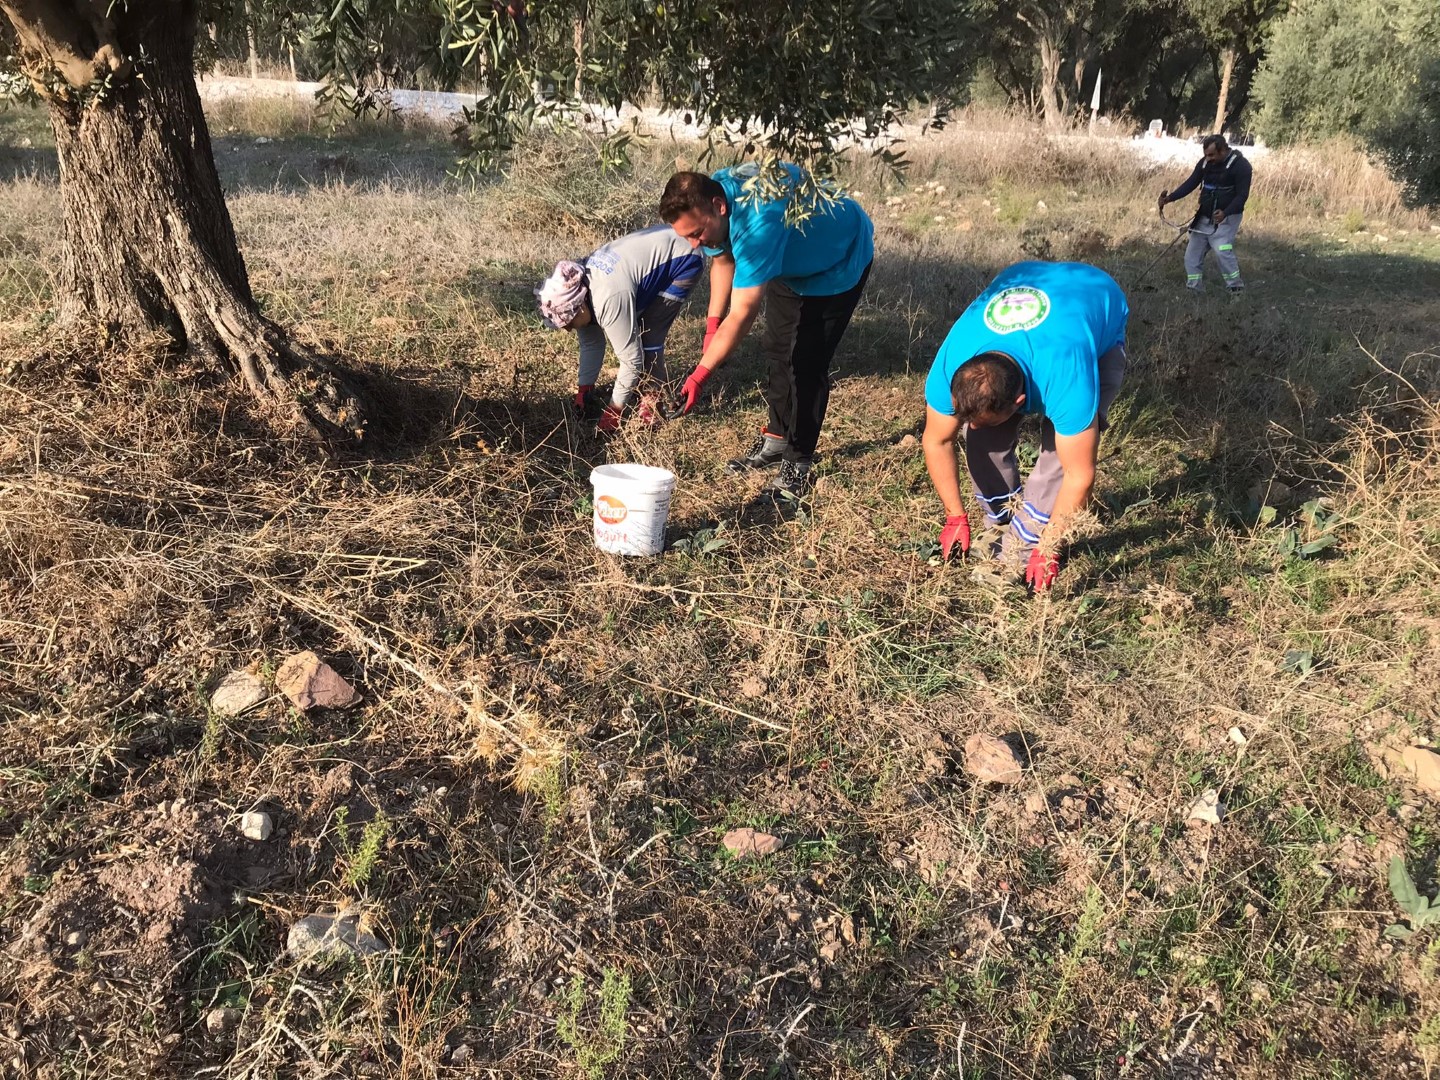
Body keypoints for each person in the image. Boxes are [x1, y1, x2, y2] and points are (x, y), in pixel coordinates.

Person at [659, 164, 874, 496]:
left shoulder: (759, 224)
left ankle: (798, 462)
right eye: (686, 236)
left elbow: (743, 312)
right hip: (791, 261)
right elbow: (723, 260)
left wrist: (699, 376)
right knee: (777, 347)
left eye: (696, 233)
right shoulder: (715, 199)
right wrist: (712, 327)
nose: (694, 244)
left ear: (719, 206)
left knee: (806, 362)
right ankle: (776, 440)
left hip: (837, 260)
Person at [920, 261, 1129, 593]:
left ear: (1020, 403)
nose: (972, 425)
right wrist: (954, 515)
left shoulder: (1067, 380)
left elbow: (1078, 475)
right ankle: (1001, 519)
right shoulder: (951, 364)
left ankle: (1023, 546)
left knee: (1057, 457)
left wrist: (1049, 547)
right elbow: (937, 441)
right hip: (1030, 278)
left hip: (1093, 297)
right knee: (982, 434)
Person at [536, 224, 704, 432]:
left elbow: (632, 360)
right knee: (634, 328)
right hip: (652, 255)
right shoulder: (579, 291)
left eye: (568, 323)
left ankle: (653, 401)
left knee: (648, 334)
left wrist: (615, 410)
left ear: (579, 307)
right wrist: (584, 389)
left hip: (684, 256)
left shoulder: (607, 299)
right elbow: (591, 343)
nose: (568, 330)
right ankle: (641, 390)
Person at [1157, 134, 1252, 295]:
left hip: (1228, 217)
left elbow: (1242, 196)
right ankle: (1194, 289)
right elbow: (1191, 183)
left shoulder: (1242, 166)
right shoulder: (1205, 163)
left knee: (1222, 250)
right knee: (1192, 255)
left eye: (1211, 155)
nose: (1208, 159)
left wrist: (1225, 213)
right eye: (1206, 155)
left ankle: (1236, 289)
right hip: (1204, 215)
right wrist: (1170, 198)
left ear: (1223, 150)